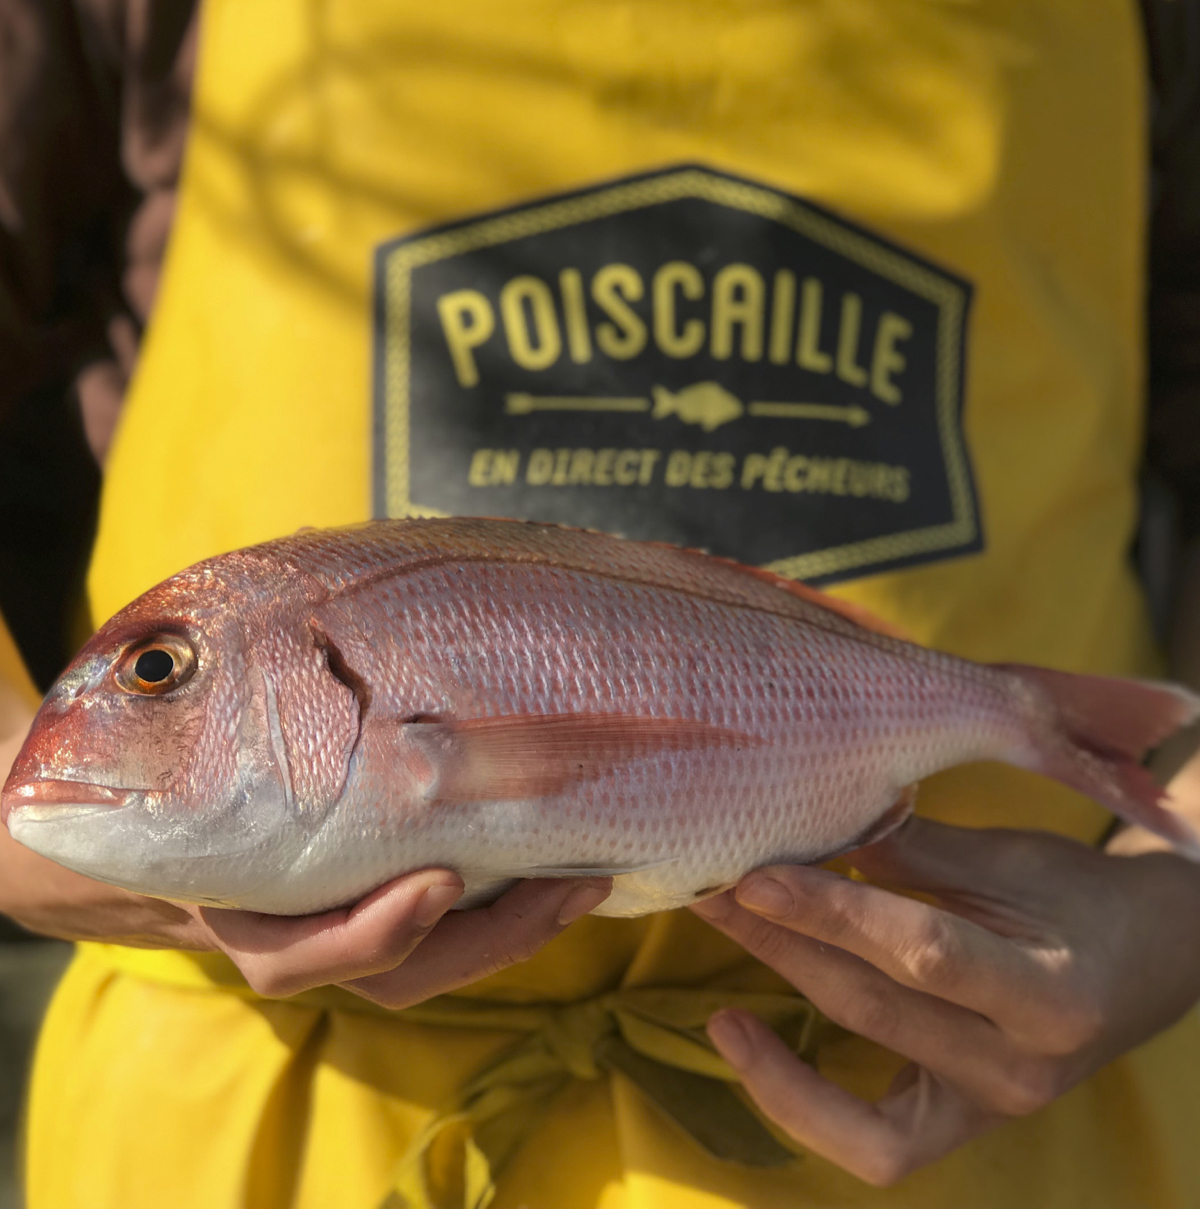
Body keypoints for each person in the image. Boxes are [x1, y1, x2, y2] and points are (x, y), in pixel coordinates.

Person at [4, 1, 1200, 1205]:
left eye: (163, 671)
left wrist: (1175, 897)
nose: (155, 688)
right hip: (259, 1141)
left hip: (987, 1122)